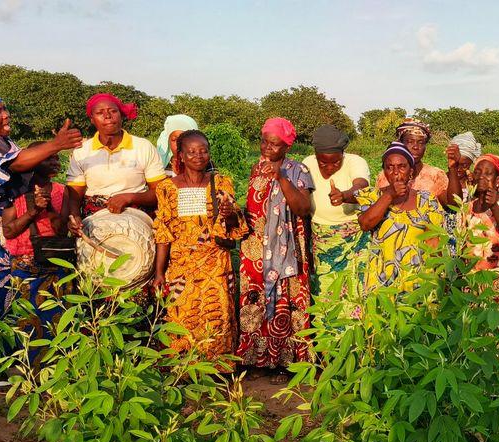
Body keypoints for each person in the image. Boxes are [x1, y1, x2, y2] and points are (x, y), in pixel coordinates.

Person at [0, 89, 82, 314]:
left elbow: (25, 162)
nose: (6, 115)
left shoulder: (5, 142)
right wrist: (55, 144)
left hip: (12, 224)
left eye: (4, 109)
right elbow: (14, 164)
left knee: (15, 296)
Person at [152, 130, 248, 363]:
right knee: (182, 316)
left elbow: (235, 225)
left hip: (216, 265)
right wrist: (159, 273)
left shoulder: (221, 182)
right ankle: (184, 370)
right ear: (181, 156)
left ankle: (218, 369)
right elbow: (163, 233)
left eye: (203, 151)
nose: (198, 156)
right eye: (192, 152)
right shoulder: (167, 188)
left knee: (217, 316)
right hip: (181, 266)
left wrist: (230, 213)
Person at [237, 117, 315, 380]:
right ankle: (255, 359)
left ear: (287, 146)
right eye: (264, 142)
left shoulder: (298, 170)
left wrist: (281, 177)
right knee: (255, 301)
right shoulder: (256, 168)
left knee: (287, 303)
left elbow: (303, 208)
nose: (267, 148)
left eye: (274, 144)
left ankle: (287, 362)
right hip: (256, 248)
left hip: (287, 250)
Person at [1, 145, 69, 353]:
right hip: (25, 266)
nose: (56, 162)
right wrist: (33, 211)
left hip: (55, 264)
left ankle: (53, 365)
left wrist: (47, 207)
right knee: (26, 320)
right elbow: (9, 231)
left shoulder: (62, 191)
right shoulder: (14, 193)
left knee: (56, 320)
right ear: (33, 161)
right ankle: (28, 367)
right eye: (49, 158)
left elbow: (61, 230)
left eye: (57, 158)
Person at [356, 142, 446, 292]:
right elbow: (365, 224)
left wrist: (439, 279)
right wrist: (389, 195)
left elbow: (434, 243)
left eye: (402, 167)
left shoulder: (426, 200)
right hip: (381, 281)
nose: (395, 172)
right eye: (389, 167)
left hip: (417, 281)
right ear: (384, 171)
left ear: (411, 171)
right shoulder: (372, 196)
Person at [303, 125, 371, 310]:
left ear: (343, 154)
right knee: (326, 291)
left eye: (336, 162)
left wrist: (345, 195)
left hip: (354, 239)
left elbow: (362, 186)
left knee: (355, 289)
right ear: (315, 155)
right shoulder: (307, 163)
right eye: (323, 163)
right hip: (321, 238)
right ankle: (329, 328)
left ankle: (353, 328)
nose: (330, 167)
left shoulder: (355, 162)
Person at [66, 93, 165, 218]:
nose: (107, 116)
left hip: (135, 215)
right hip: (94, 217)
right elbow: (74, 196)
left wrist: (129, 197)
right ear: (92, 119)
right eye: (100, 113)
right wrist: (74, 217)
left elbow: (159, 191)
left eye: (113, 111)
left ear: (121, 115)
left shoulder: (143, 147)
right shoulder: (82, 151)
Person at [455, 153, 499, 272]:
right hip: (471, 275)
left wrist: (493, 206)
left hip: (498, 275)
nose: (481, 177)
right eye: (477, 172)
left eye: (487, 173)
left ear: (497, 180)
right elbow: (462, 243)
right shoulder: (468, 207)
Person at [374, 119, 449, 201]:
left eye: (420, 143)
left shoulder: (436, 176)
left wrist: (453, 168)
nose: (415, 147)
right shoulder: (384, 177)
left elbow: (449, 203)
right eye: (410, 142)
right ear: (401, 144)